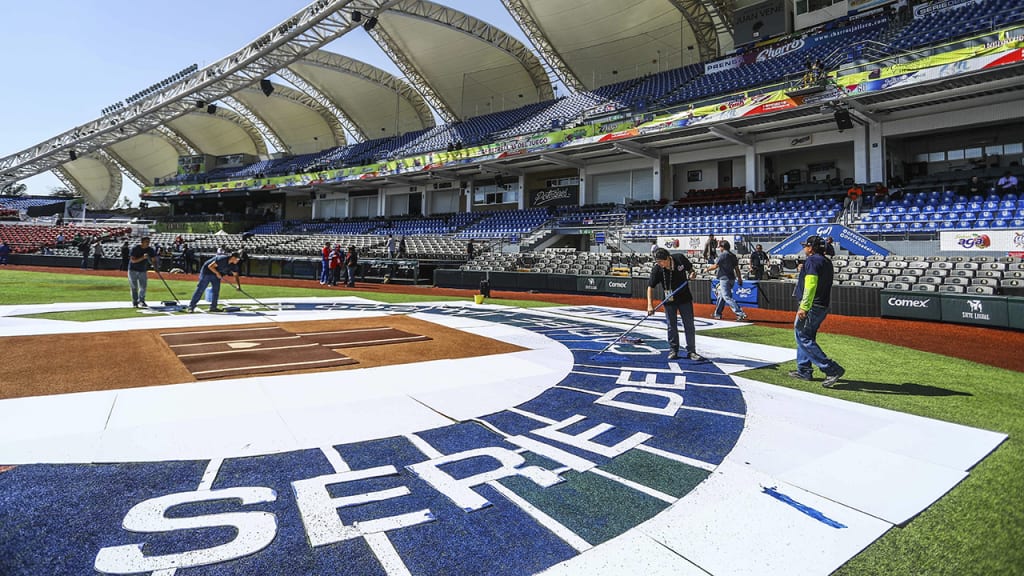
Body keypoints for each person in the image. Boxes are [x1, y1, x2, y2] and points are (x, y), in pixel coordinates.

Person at [789, 235, 845, 387]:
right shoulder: (825, 261)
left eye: (806, 246)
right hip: (821, 305)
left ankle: (831, 369)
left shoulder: (812, 261)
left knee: (802, 336)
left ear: (811, 248)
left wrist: (804, 306)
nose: (804, 248)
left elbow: (811, 285)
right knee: (807, 336)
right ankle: (804, 370)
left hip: (812, 306)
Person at [647, 248, 703, 361]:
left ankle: (691, 351)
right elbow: (650, 287)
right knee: (671, 326)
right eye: (657, 262)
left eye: (661, 262)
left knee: (689, 325)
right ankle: (673, 350)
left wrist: (692, 274)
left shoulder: (680, 258)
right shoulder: (657, 269)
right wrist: (650, 305)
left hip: (684, 298)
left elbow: (691, 270)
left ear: (668, 258)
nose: (659, 264)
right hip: (669, 300)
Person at [706, 240, 748, 321]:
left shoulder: (723, 255)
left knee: (726, 297)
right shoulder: (733, 255)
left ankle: (740, 313)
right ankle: (717, 314)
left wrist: (707, 269)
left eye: (720, 247)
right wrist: (739, 278)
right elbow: (737, 269)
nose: (719, 249)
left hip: (724, 278)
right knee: (721, 296)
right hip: (732, 278)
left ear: (723, 247)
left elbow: (715, 266)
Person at [127, 236, 158, 308]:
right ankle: (135, 302)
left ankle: (141, 300)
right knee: (134, 287)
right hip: (133, 270)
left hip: (143, 270)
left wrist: (155, 267)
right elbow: (133, 260)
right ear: (142, 242)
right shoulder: (135, 248)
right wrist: (143, 258)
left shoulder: (150, 250)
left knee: (143, 287)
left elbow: (154, 259)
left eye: (148, 242)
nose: (148, 243)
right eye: (146, 242)